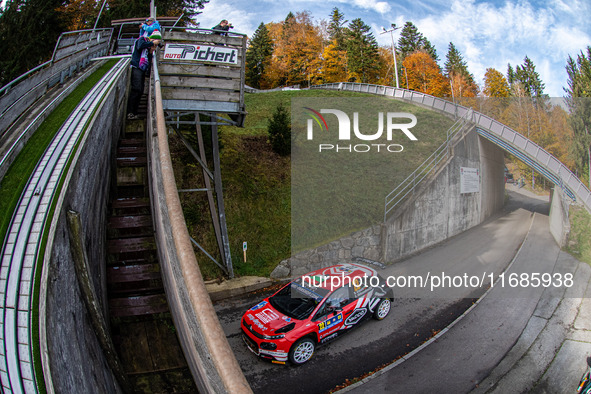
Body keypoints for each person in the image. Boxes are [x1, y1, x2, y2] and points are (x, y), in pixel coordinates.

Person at [127, 31, 161, 120]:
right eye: (156, 40)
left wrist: (151, 51)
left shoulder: (148, 45)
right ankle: (130, 112)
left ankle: (134, 112)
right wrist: (152, 43)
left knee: (141, 91)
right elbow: (139, 46)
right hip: (136, 67)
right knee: (136, 89)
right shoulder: (142, 39)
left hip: (142, 69)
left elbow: (148, 59)